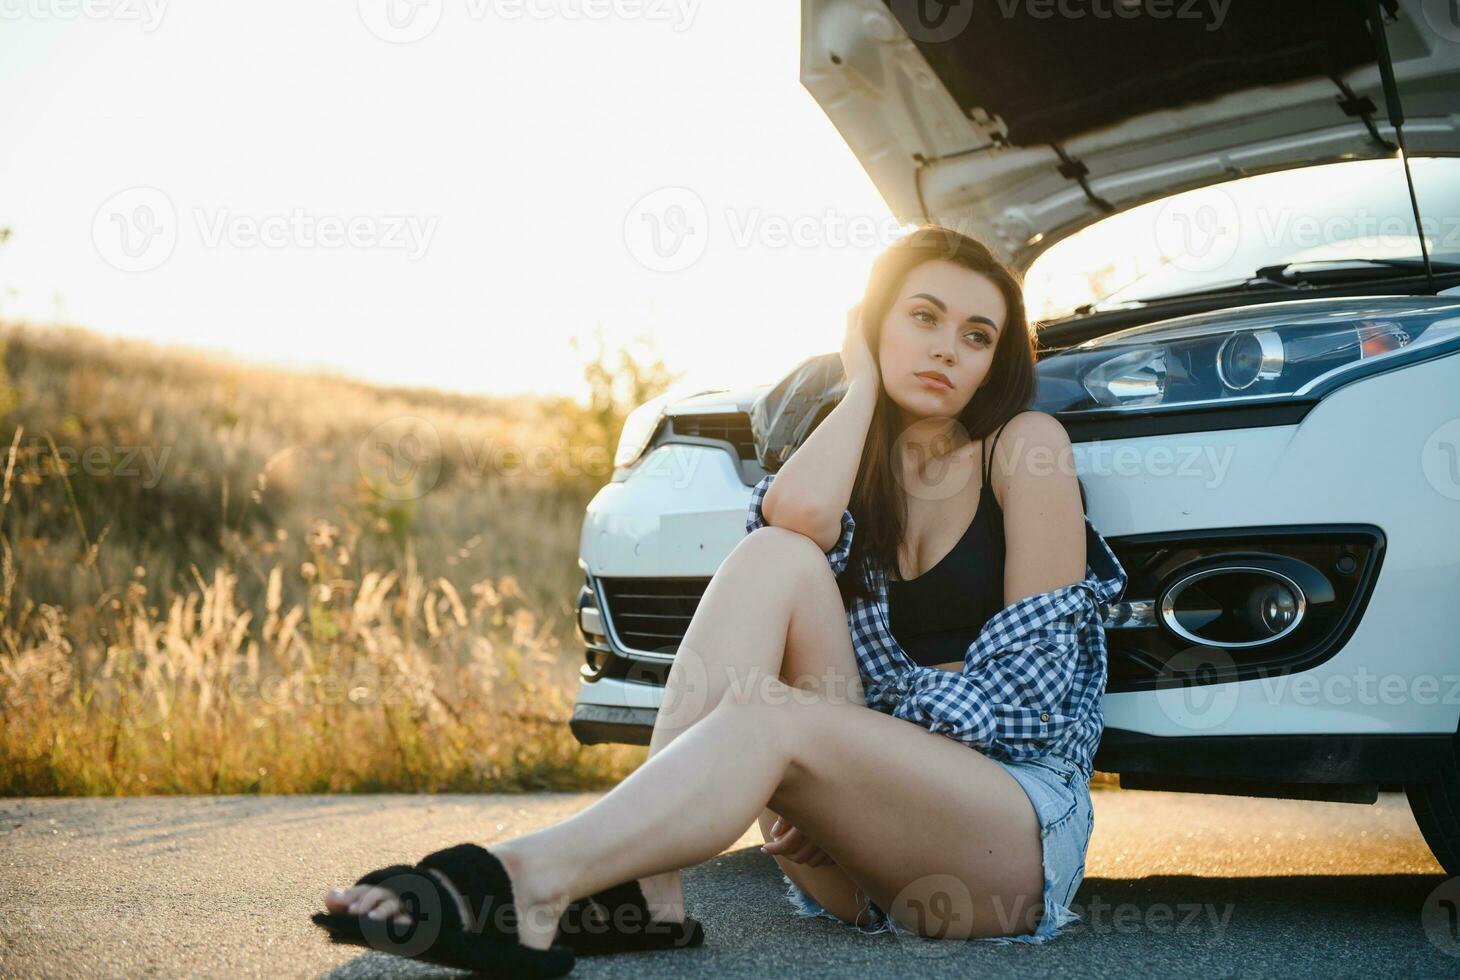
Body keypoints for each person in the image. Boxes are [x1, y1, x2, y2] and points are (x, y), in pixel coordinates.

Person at [315, 224, 1128, 973]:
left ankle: (521, 876)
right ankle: (649, 894)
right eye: (921, 317)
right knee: (774, 556)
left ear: (996, 362)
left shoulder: (1025, 449)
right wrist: (857, 390)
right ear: (873, 323)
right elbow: (796, 520)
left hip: (1003, 847)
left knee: (764, 711)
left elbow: (1032, 694)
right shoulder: (853, 463)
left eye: (975, 336)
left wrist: (825, 753)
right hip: (850, 857)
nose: (946, 349)